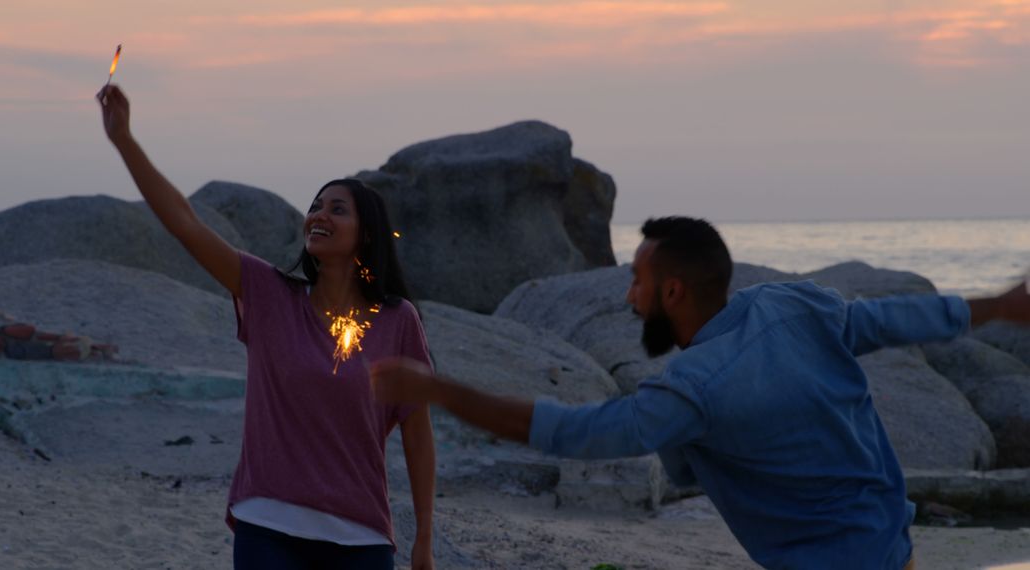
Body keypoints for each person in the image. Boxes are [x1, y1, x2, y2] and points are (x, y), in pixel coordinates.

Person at [371, 216, 1030, 570]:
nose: (628, 297)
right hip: (895, 549)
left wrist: (437, 389)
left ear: (673, 292)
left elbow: (578, 434)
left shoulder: (693, 388)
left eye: (637, 282)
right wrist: (997, 304)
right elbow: (891, 318)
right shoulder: (793, 306)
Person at [98, 84, 436, 570]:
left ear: (367, 233)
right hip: (269, 526)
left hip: (362, 535)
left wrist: (424, 535)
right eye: (316, 206)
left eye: (337, 209)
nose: (319, 215)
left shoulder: (397, 321)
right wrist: (124, 140)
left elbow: (417, 431)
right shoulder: (270, 295)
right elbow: (186, 225)